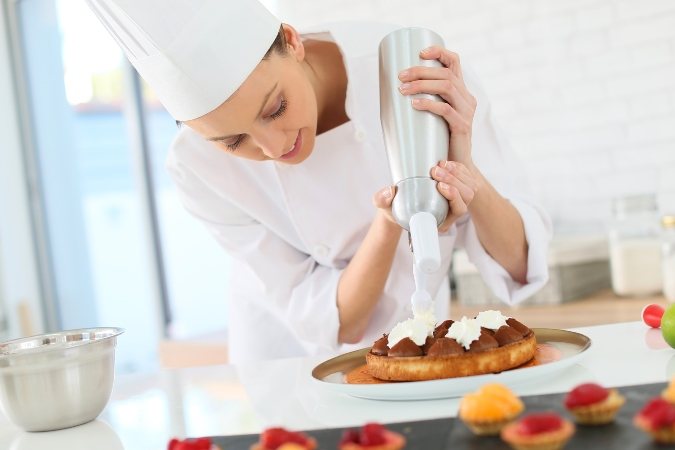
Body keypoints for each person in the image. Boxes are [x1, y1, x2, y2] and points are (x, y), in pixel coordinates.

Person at [85, 0, 552, 364]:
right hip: (286, 367)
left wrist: (464, 166)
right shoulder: (194, 167)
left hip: (418, 347)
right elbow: (342, 324)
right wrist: (388, 222)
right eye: (233, 142)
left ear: (292, 40)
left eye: (275, 109)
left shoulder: (405, 70)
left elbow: (519, 264)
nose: (272, 148)